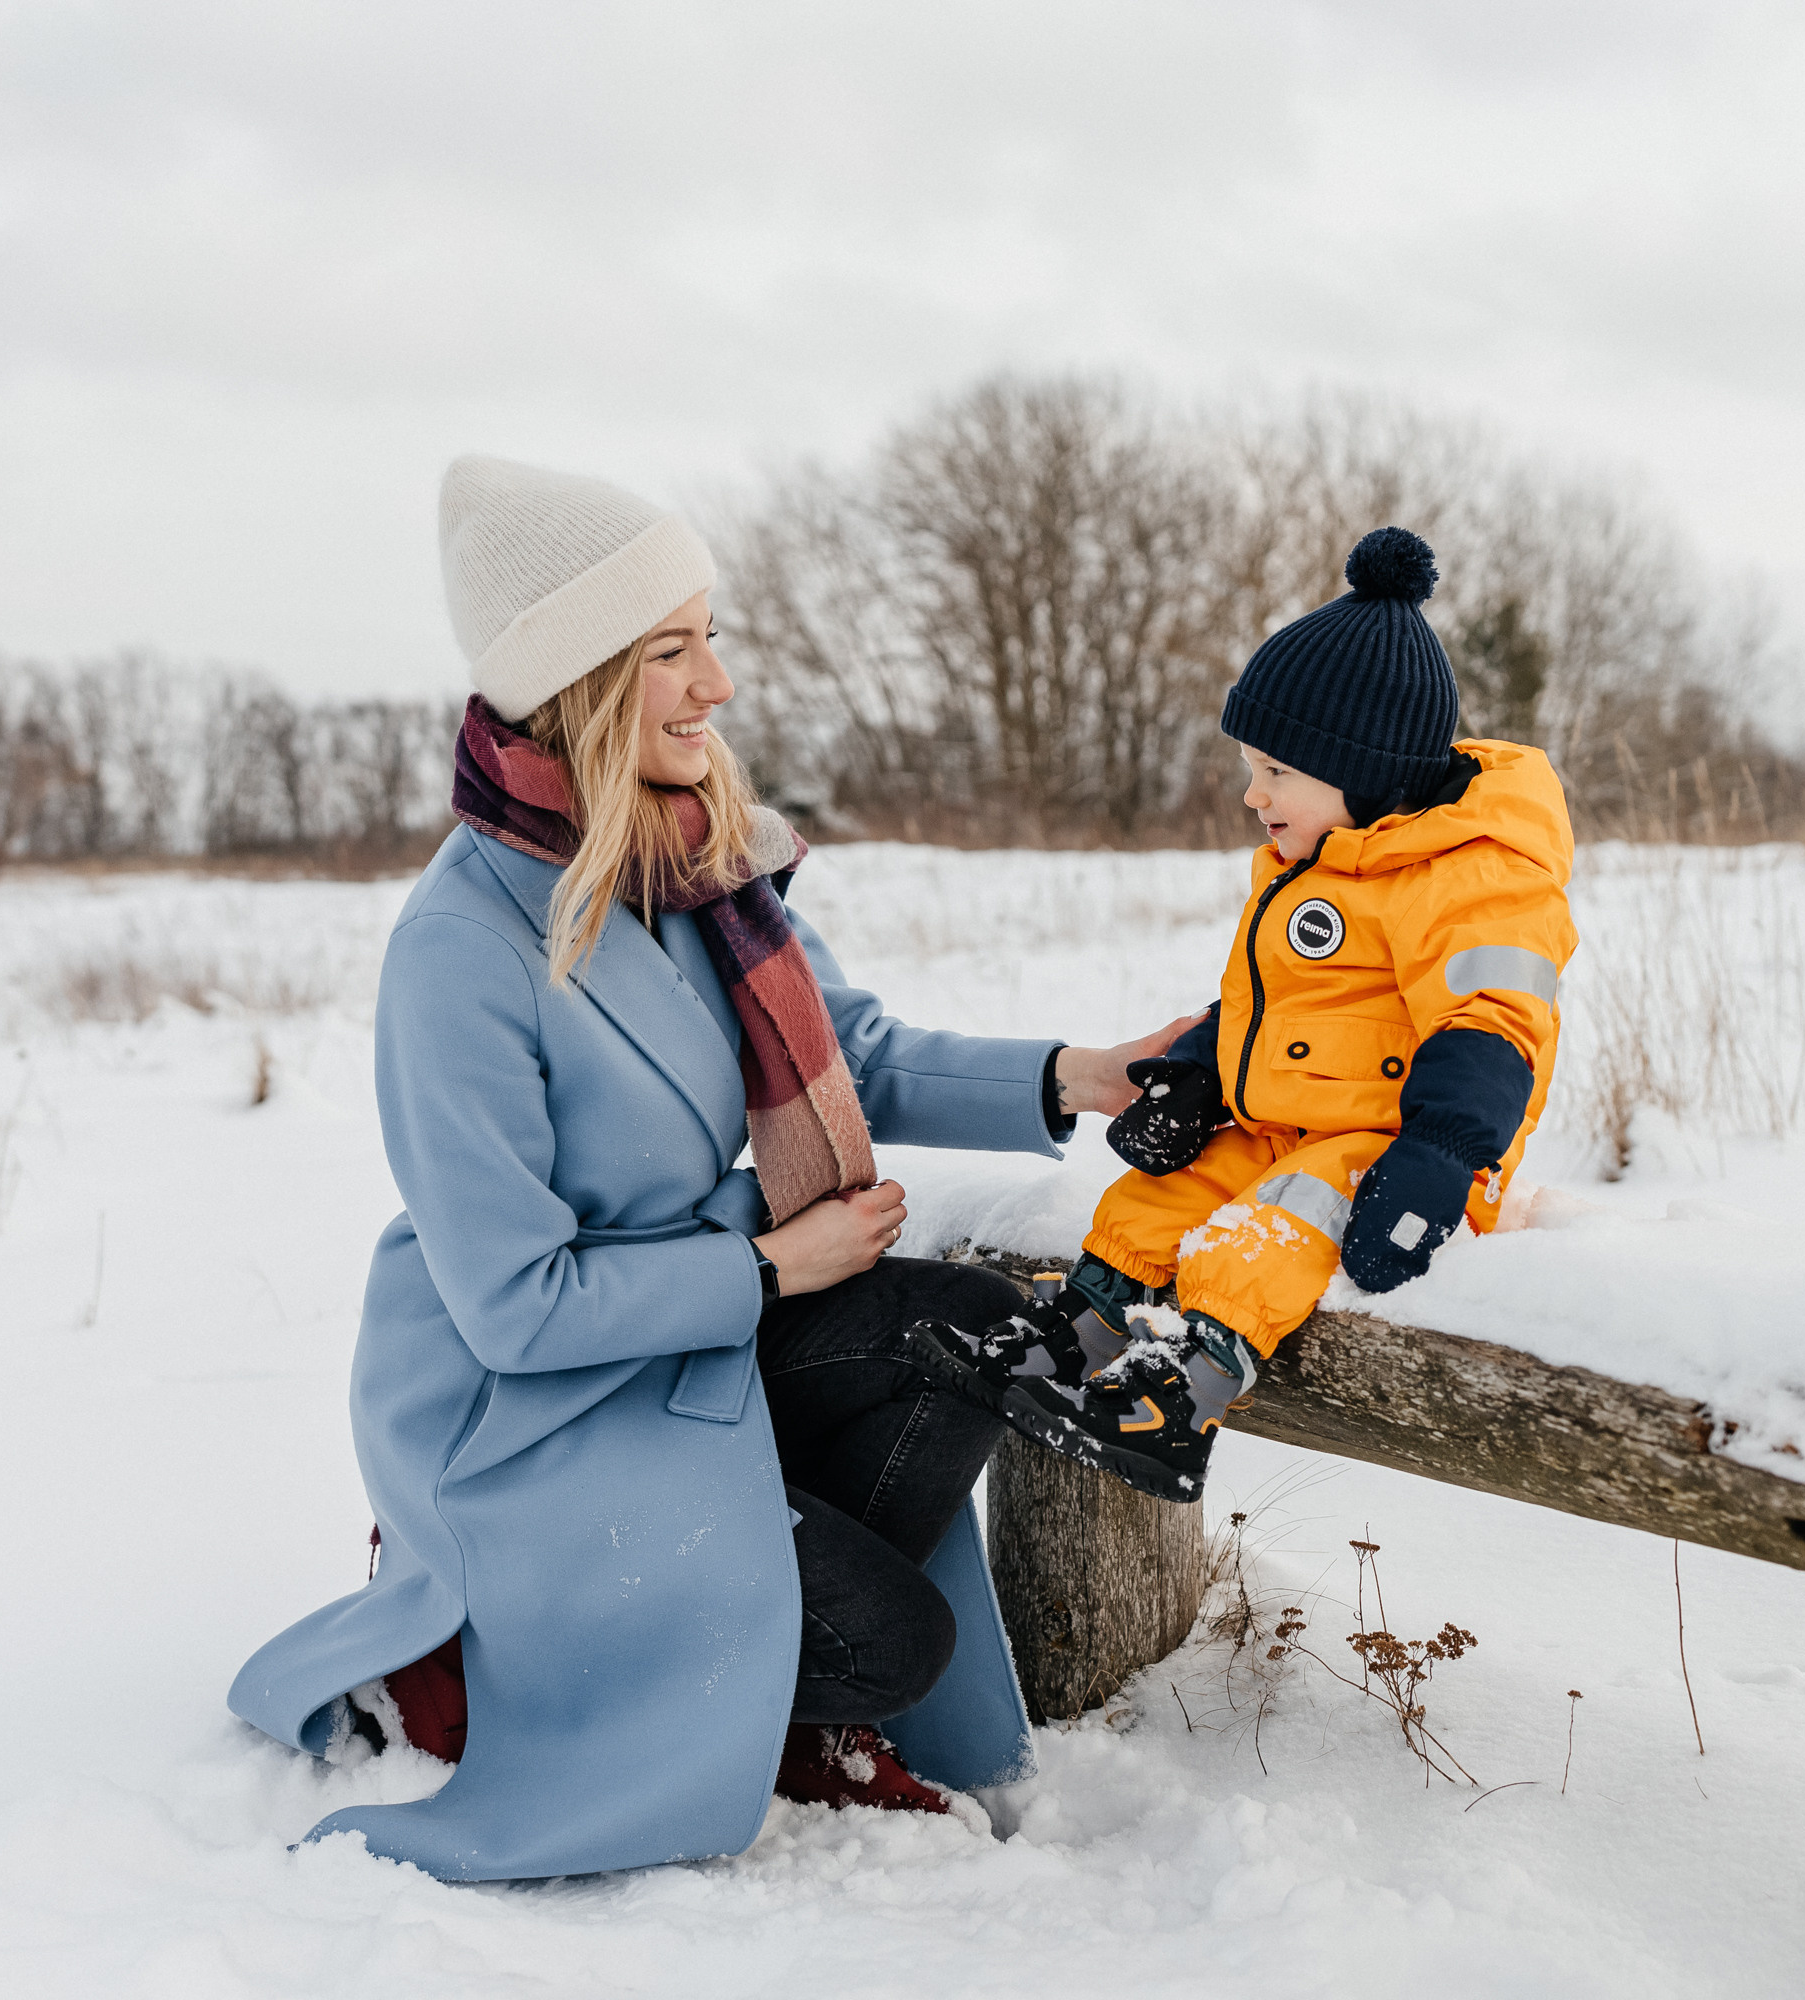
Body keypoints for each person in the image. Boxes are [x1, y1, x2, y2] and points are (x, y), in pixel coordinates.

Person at [226, 455, 1187, 1878]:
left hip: (691, 1338)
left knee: (979, 1331)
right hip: (532, 1409)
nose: (716, 684)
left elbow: (848, 1048)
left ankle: (741, 1616)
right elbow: (517, 1308)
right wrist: (760, 1264)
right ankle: (482, 1644)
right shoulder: (460, 948)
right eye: (672, 649)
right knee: (893, 1642)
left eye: (708, 637)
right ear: (578, 679)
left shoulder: (697, 857)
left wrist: (1075, 1076)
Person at [906, 527, 1579, 1503]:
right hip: (1287, 1120)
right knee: (1163, 1195)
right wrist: (1198, 1073)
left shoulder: (1475, 877)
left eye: (1277, 772)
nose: (1251, 793)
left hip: (1398, 1150)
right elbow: (1273, 1005)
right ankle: (1070, 1339)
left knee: (1263, 1230)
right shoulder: (1324, 857)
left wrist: (1439, 1158)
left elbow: (1496, 1027)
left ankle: (1177, 1403)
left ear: (1364, 769)